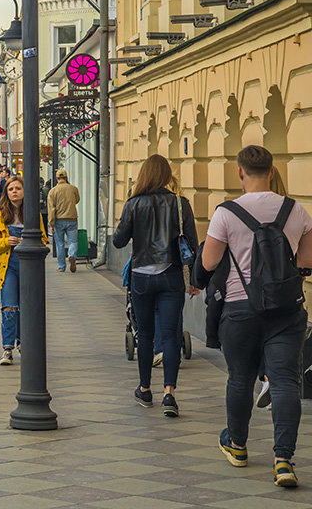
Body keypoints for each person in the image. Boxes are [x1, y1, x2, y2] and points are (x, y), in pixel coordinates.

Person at [200, 145, 312, 488]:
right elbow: (306, 262)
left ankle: (237, 446)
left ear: (240, 172)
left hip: (239, 309)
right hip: (286, 310)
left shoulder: (225, 213)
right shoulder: (298, 211)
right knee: (285, 381)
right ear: (273, 171)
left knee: (240, 379)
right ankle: (283, 461)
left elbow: (207, 263)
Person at [112, 153, 197, 418]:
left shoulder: (133, 203)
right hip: (171, 275)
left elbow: (118, 241)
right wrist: (194, 280)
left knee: (145, 334)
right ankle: (169, 394)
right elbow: (192, 244)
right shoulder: (180, 204)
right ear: (167, 176)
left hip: (141, 277)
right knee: (171, 335)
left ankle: (145, 388)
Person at [0, 176, 47, 366]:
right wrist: (5, 241)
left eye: (18, 188)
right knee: (9, 307)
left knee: (25, 308)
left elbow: (43, 240)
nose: (14, 192)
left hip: (29, 267)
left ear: (24, 191)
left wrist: (29, 242)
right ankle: (7, 348)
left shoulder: (33, 214)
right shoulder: (0, 214)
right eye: (11, 189)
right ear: (6, 193)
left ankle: (23, 342)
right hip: (8, 266)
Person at [47, 169, 81, 272]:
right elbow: (77, 200)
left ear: (57, 178)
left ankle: (61, 267)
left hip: (59, 220)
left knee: (60, 244)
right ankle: (72, 255)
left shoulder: (52, 191)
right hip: (72, 218)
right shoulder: (73, 189)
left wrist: (51, 224)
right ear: (66, 178)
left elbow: (51, 209)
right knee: (73, 241)